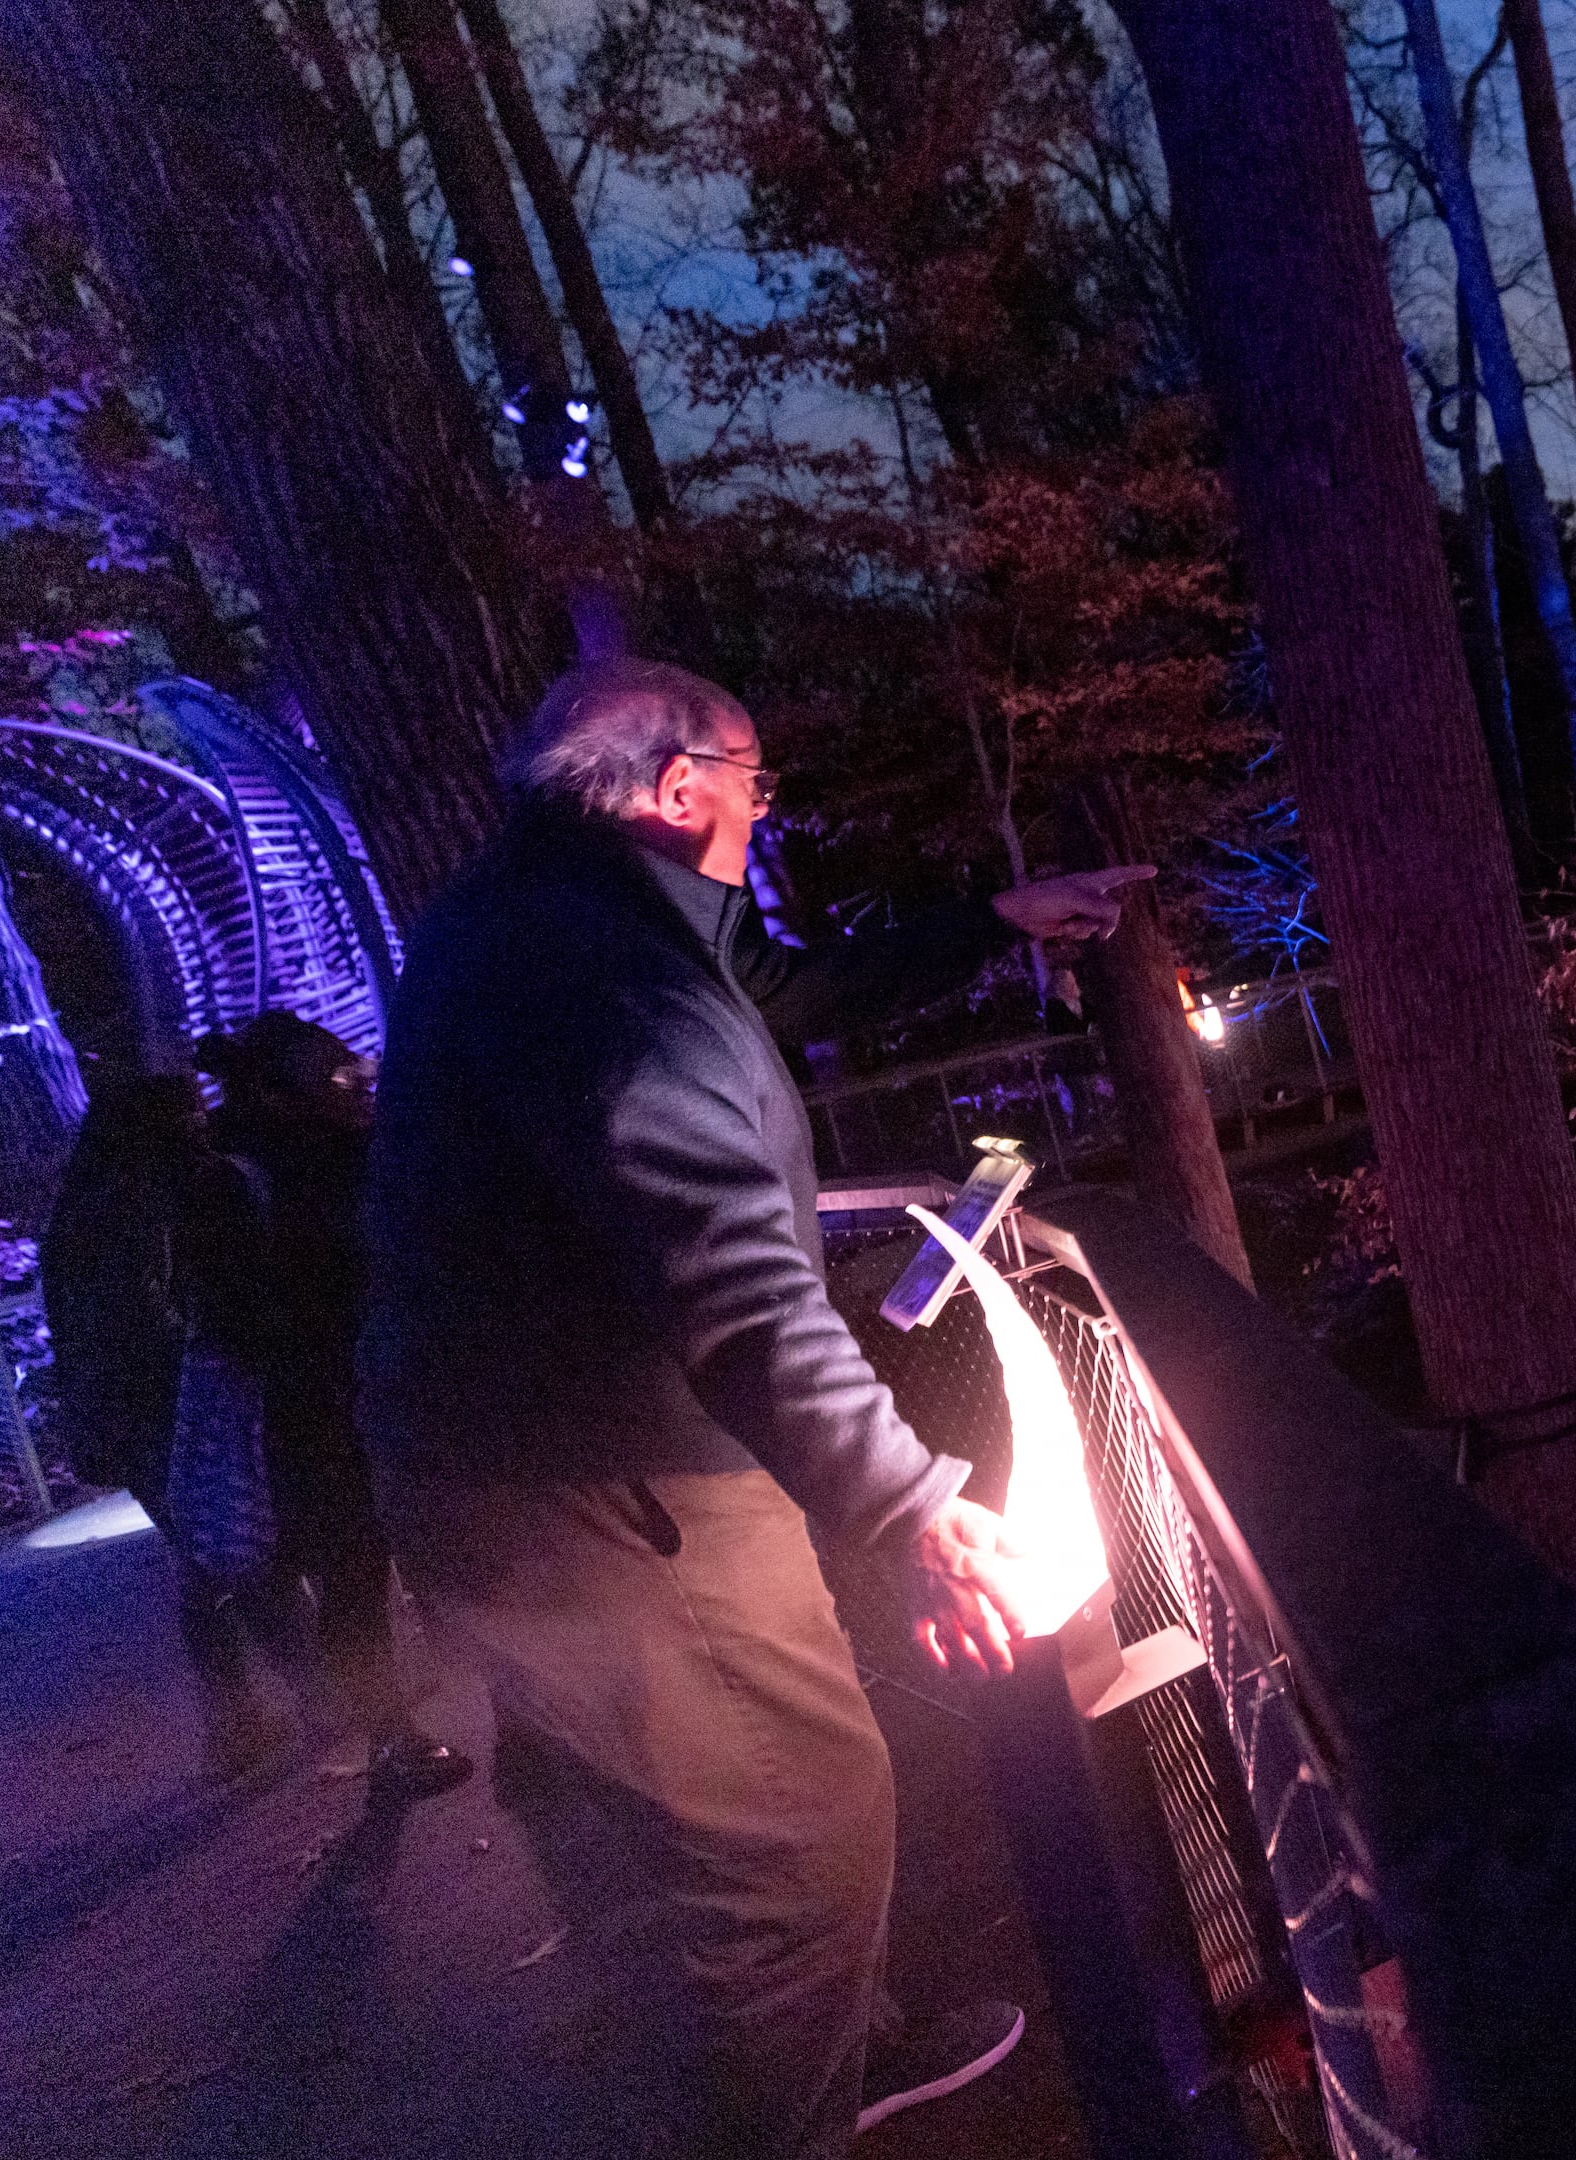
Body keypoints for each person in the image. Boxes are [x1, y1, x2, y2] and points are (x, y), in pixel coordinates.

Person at [359, 656, 1149, 2156]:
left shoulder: (565, 922)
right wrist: (917, 1504)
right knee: (790, 1832)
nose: (762, 813)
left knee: (651, 1825)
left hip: (513, 1467)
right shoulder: (602, 979)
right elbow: (729, 1271)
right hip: (605, 1489)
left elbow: (785, 991)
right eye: (753, 781)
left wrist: (989, 922)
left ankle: (818, 2053)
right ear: (677, 789)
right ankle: (781, 2107)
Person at [192, 1014, 468, 1800]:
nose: (359, 1090)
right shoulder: (274, 1168)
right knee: (370, 1566)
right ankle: (398, 1731)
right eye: (344, 1078)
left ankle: (399, 1726)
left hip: (323, 1399)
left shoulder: (237, 1167)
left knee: (359, 1572)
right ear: (299, 1083)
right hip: (340, 1396)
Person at [43, 1070, 288, 1782]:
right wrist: (211, 1354)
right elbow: (142, 1311)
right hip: (163, 1405)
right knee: (230, 1547)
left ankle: (238, 1727)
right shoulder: (136, 1199)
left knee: (203, 1552)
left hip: (119, 1412)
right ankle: (334, 1691)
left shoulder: (83, 1204)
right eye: (187, 1114)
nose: (201, 1123)